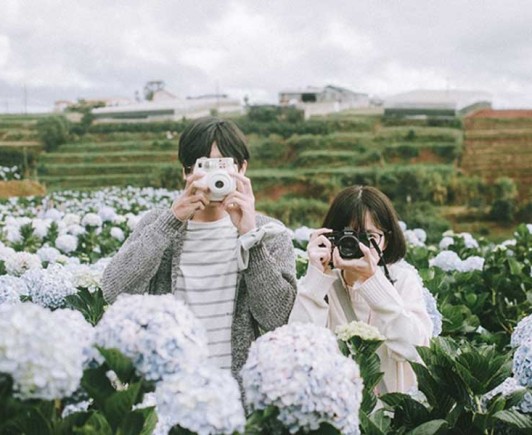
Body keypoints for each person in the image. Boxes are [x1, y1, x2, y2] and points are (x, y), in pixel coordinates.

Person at [102, 116, 297, 384]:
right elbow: (114, 290)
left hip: (235, 397)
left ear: (242, 168)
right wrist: (171, 220)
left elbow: (277, 318)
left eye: (224, 165)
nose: (215, 176)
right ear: (186, 171)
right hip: (167, 391)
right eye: (206, 166)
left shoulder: (269, 233)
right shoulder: (158, 224)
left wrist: (251, 238)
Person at [289, 185, 433, 394]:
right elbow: (297, 349)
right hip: (335, 410)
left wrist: (372, 280)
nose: (357, 246)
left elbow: (414, 349)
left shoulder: (402, 281)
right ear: (330, 236)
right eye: (348, 236)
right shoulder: (321, 282)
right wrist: (316, 277)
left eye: (369, 237)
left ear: (386, 241)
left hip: (391, 415)